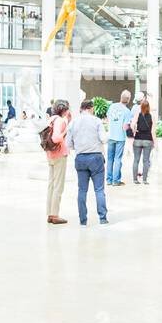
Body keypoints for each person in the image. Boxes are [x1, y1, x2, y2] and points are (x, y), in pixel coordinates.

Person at [67, 96, 108, 225]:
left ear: (81, 109)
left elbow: (69, 143)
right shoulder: (97, 121)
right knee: (99, 189)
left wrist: (78, 146)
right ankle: (102, 218)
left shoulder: (73, 122)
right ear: (91, 108)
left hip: (80, 158)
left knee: (82, 190)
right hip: (96, 157)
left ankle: (83, 220)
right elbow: (103, 139)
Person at [44, 98, 71, 224]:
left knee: (51, 185)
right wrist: (66, 130)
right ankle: (55, 214)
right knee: (58, 186)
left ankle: (50, 213)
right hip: (59, 154)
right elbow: (56, 138)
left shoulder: (51, 119)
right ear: (64, 109)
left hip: (50, 154)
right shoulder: (60, 121)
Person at [106, 88, 132, 186]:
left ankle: (109, 180)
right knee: (117, 159)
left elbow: (108, 118)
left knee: (109, 159)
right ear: (128, 99)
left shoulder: (112, 106)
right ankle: (116, 181)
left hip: (111, 136)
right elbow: (125, 127)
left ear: (121, 97)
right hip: (120, 137)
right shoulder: (127, 111)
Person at [131, 97, 155, 184]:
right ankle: (144, 180)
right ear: (148, 107)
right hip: (147, 140)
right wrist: (155, 143)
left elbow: (132, 124)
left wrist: (134, 130)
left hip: (137, 139)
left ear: (141, 107)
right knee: (146, 160)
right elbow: (153, 131)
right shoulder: (152, 116)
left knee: (136, 160)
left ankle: (135, 179)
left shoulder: (138, 114)